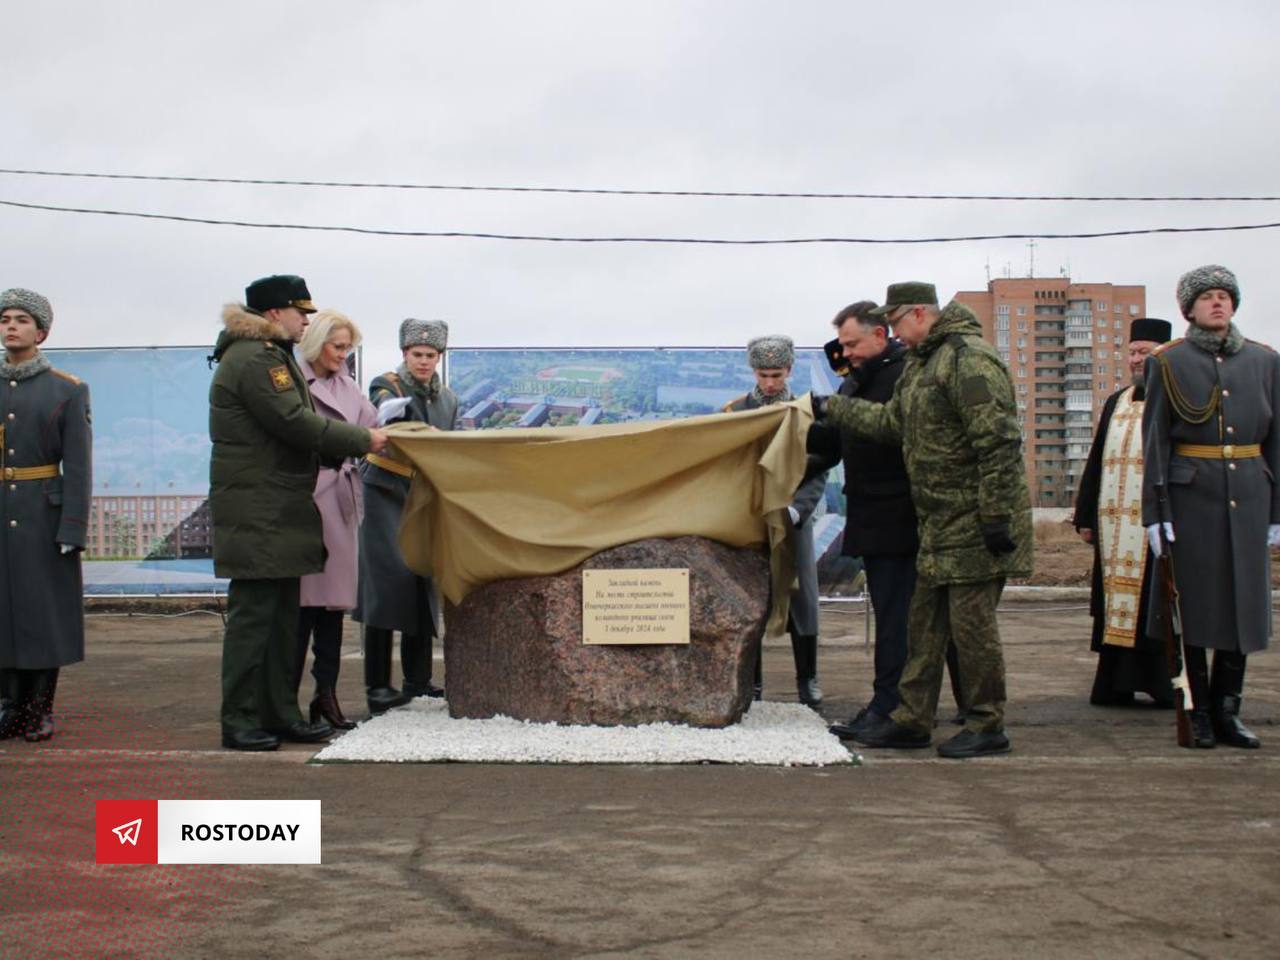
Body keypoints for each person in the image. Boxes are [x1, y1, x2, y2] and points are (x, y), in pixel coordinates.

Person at [813, 281, 1032, 759]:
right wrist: (833, 407)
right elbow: (893, 423)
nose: (893, 334)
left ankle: (987, 723)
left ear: (918, 314)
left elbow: (997, 442)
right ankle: (909, 719)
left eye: (893, 324)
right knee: (924, 627)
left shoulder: (968, 358)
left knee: (971, 632)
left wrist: (996, 516)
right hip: (935, 521)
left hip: (974, 521)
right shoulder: (923, 364)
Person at [209, 275, 388, 751]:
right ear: (273, 314)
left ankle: (279, 713)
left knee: (282, 622)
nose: (305, 320)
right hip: (260, 507)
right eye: (299, 312)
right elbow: (292, 422)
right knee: (255, 623)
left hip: (278, 505)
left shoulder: (269, 356)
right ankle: (241, 718)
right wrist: (361, 441)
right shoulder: (254, 359)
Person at [1142, 265, 1279, 749]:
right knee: (1195, 609)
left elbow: (1275, 440)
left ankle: (1228, 711)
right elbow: (1155, 439)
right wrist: (1154, 512)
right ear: (1189, 310)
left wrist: (1276, 512)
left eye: (1225, 296)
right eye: (1207, 298)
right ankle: (1196, 711)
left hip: (1250, 498)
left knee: (1244, 606)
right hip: (1190, 497)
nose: (1218, 303)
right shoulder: (1167, 362)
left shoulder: (1264, 361)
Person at [809, 302, 920, 739]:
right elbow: (832, 443)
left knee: (898, 622)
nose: (846, 352)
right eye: (841, 345)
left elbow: (892, 431)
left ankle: (892, 709)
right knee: (894, 618)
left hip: (900, 518)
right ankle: (887, 705)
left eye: (852, 343)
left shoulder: (903, 377)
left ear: (880, 336)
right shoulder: (863, 379)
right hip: (875, 517)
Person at [0, 288, 91, 743]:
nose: (11, 326)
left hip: (42, 513)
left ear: (42, 331)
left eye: (21, 319)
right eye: (5, 319)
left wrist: (72, 526)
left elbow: (78, 465)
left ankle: (38, 710)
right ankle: (8, 708)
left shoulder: (67, 390)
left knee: (42, 616)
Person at [355, 318, 459, 714]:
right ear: (404, 354)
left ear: (439, 357)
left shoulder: (447, 398)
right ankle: (378, 684)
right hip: (383, 489)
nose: (423, 361)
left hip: (422, 493)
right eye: (417, 354)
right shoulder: (388, 385)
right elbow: (388, 415)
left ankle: (417, 679)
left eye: (430, 355)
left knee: (420, 581)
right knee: (384, 583)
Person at [1073, 317, 1175, 708]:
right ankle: (1115, 684)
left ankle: (1158, 683)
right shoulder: (1116, 401)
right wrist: (1084, 516)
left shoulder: (1176, 399)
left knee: (1154, 605)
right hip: (1114, 523)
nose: (1136, 360)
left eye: (1144, 353)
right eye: (1132, 352)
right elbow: (1097, 460)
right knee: (1113, 606)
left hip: (1154, 525)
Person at [723, 335, 825, 707]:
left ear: (790, 370)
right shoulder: (736, 413)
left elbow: (819, 469)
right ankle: (753, 682)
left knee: (803, 597)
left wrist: (799, 508)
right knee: (751, 597)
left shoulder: (806, 412)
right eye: (764, 374)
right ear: (753, 371)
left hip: (794, 516)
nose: (769, 383)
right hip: (750, 518)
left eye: (776, 374)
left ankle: (808, 679)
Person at [293, 310, 378, 731]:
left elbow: (374, 428)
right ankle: (287, 701)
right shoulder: (292, 381)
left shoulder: (347, 385)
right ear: (317, 343)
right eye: (338, 346)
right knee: (302, 609)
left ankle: (325, 695)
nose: (344, 355)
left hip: (341, 498)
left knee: (333, 608)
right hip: (308, 498)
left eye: (348, 348)